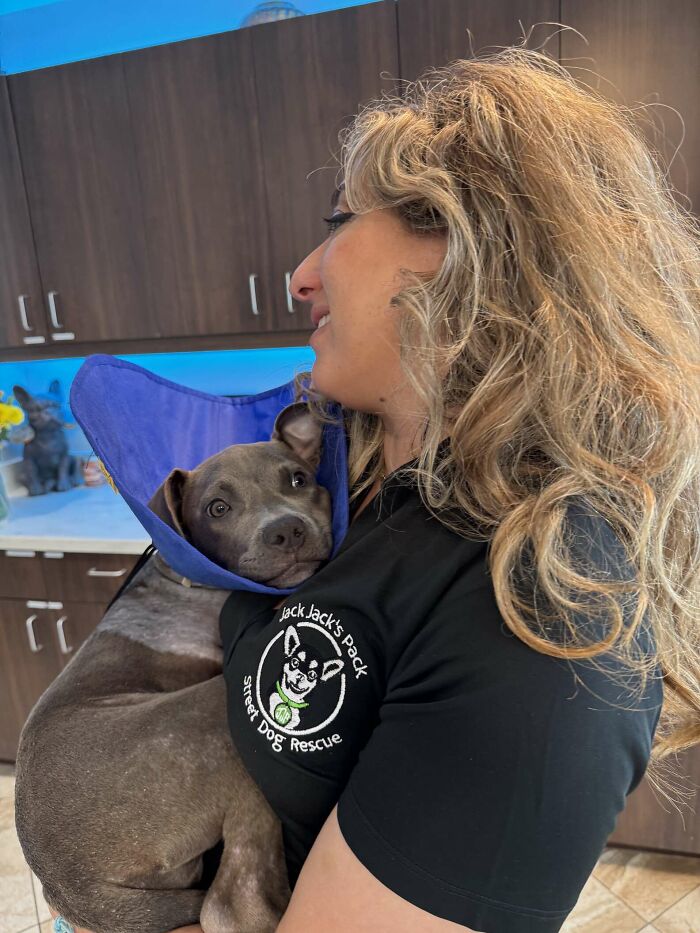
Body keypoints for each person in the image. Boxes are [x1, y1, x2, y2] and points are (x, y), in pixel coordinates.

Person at [50, 39, 700, 933]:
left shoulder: (549, 605)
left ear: (464, 243)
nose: (299, 277)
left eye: (338, 218)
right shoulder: (340, 473)